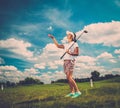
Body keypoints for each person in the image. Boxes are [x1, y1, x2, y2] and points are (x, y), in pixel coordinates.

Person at [48, 31, 81, 98]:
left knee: (69, 77)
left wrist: (69, 53)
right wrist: (53, 38)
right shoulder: (66, 45)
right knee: (68, 77)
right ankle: (72, 92)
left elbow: (77, 53)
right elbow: (57, 46)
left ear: (72, 36)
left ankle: (78, 91)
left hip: (71, 61)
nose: (67, 35)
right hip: (65, 61)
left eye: (68, 34)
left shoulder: (75, 44)